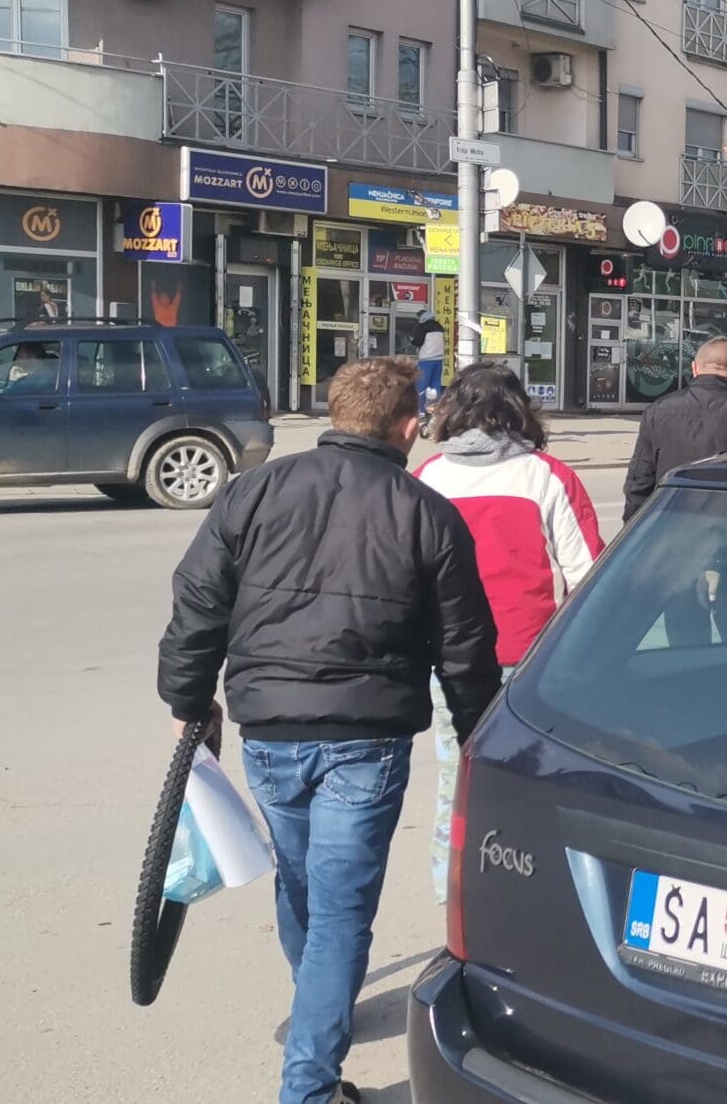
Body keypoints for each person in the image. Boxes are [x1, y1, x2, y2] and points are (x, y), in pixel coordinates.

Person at [158, 357, 498, 1104]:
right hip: (366, 738)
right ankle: (308, 1087)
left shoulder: (254, 490)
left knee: (303, 879)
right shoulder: (425, 511)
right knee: (340, 910)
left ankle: (319, 999)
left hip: (270, 729)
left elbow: (198, 602)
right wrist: (480, 739)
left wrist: (188, 699)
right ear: (409, 427)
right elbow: (466, 648)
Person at [414, 363, 601, 903]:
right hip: (531, 658)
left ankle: (454, 903)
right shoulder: (548, 476)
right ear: (520, 410)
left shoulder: (429, 476)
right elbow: (586, 574)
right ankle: (522, 900)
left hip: (447, 658)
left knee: (457, 780)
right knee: (530, 783)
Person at [624, 338, 727, 521]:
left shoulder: (659, 410)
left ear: (695, 368)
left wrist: (632, 531)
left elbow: (639, 482)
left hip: (670, 522)